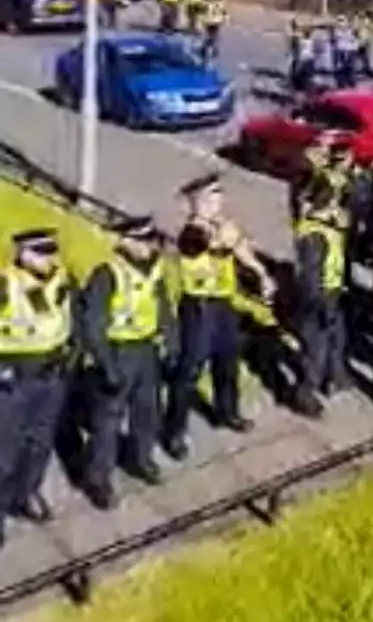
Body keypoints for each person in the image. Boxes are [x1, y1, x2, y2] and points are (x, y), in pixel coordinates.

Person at [164, 176, 275, 460]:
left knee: (228, 362)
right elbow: (202, 246)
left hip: (224, 304)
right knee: (190, 370)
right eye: (212, 198)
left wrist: (261, 274)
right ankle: (174, 432)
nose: (218, 203)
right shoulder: (191, 231)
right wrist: (225, 238)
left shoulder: (225, 225)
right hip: (199, 308)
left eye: (219, 197)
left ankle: (228, 412)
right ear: (197, 202)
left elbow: (240, 249)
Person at [79, 217, 175, 510]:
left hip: (146, 350)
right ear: (123, 241)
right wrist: (106, 364)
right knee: (107, 420)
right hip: (118, 350)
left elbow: (163, 307)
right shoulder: (107, 274)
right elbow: (93, 325)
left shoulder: (154, 268)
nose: (148, 246)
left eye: (150, 240)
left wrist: (171, 341)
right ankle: (98, 478)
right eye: (141, 240)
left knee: (147, 410)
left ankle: (141, 458)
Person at [0, 229, 75, 547]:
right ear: (24, 255)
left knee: (39, 443)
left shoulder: (60, 278)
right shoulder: (5, 284)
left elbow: (69, 317)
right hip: (14, 378)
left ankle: (26, 494)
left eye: (51, 253)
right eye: (42, 254)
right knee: (4, 452)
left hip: (52, 374)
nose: (50, 259)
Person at [293, 189, 351, 418]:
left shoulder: (328, 229)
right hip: (318, 298)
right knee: (315, 348)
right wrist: (322, 304)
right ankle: (305, 394)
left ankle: (334, 377)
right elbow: (312, 276)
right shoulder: (315, 236)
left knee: (336, 338)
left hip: (331, 291)